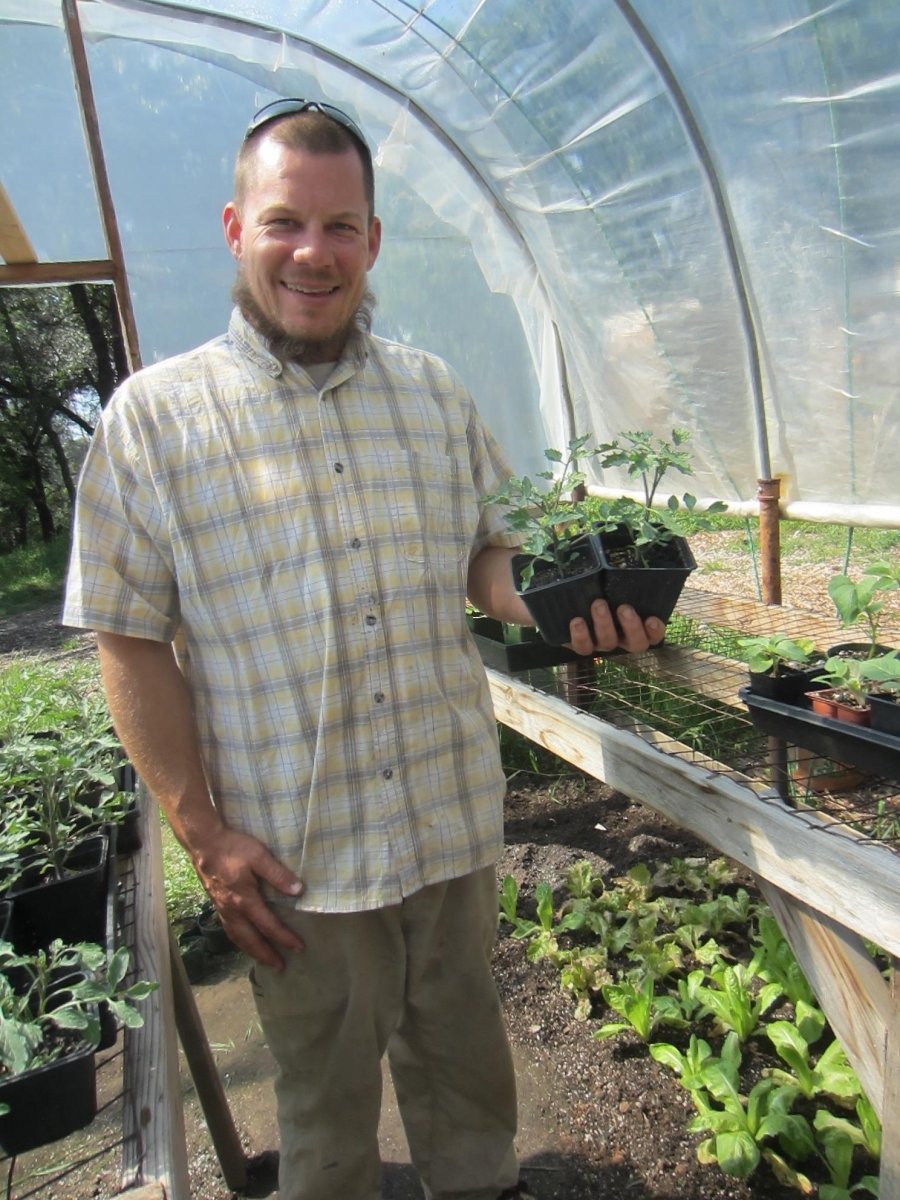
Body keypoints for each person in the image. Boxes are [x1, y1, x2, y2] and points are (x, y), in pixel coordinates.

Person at [64, 98, 665, 1200]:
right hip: (302, 864)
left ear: (374, 241)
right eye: (287, 220)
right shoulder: (155, 422)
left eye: (342, 227)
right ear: (238, 227)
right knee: (326, 1132)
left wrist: (562, 604)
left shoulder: (433, 396)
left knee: (469, 1093)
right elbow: (129, 640)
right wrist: (201, 831)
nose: (314, 251)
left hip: (447, 825)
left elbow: (483, 559)